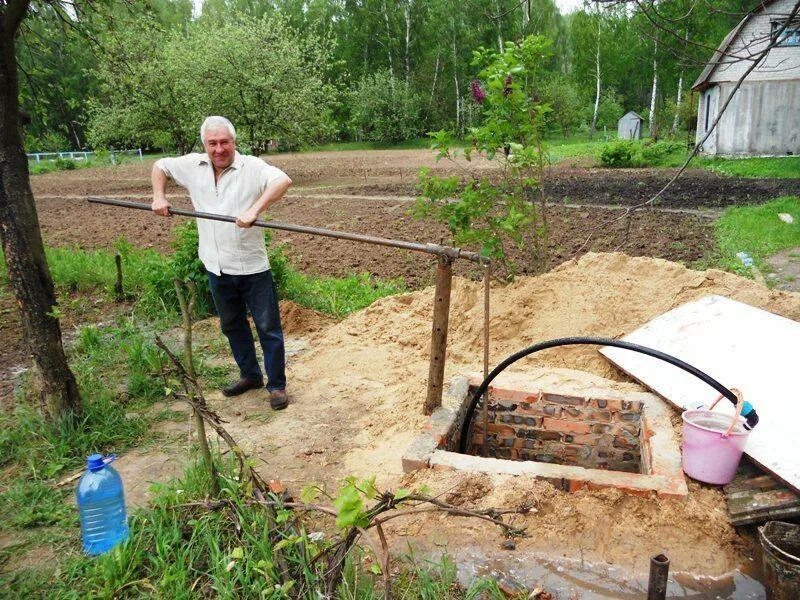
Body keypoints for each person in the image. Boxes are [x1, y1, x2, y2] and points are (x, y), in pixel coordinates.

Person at [151, 116, 292, 409]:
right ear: (205, 145)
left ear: (234, 142)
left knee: (268, 328)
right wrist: (159, 197)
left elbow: (282, 180)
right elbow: (160, 165)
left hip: (252, 268)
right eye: (212, 143)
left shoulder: (251, 167)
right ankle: (250, 375)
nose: (218, 149)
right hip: (215, 266)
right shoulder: (193, 166)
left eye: (224, 142)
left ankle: (276, 385)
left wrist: (254, 209)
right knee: (231, 325)